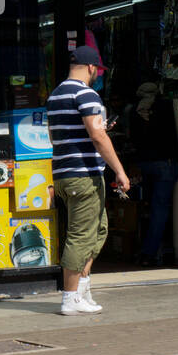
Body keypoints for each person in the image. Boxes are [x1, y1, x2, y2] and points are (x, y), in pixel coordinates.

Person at [46, 46, 130, 315]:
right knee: (81, 234)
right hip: (84, 175)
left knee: (98, 229)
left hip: (64, 173)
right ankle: (70, 297)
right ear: (92, 68)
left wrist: (98, 131)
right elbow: (97, 136)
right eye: (98, 71)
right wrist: (119, 170)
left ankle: (82, 287)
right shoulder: (87, 94)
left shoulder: (56, 94)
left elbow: (58, 134)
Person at [128, 81, 178, 266]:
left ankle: (146, 250)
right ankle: (150, 253)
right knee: (160, 210)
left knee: (148, 208)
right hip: (165, 163)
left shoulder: (134, 110)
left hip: (145, 164)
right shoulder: (165, 105)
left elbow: (133, 138)